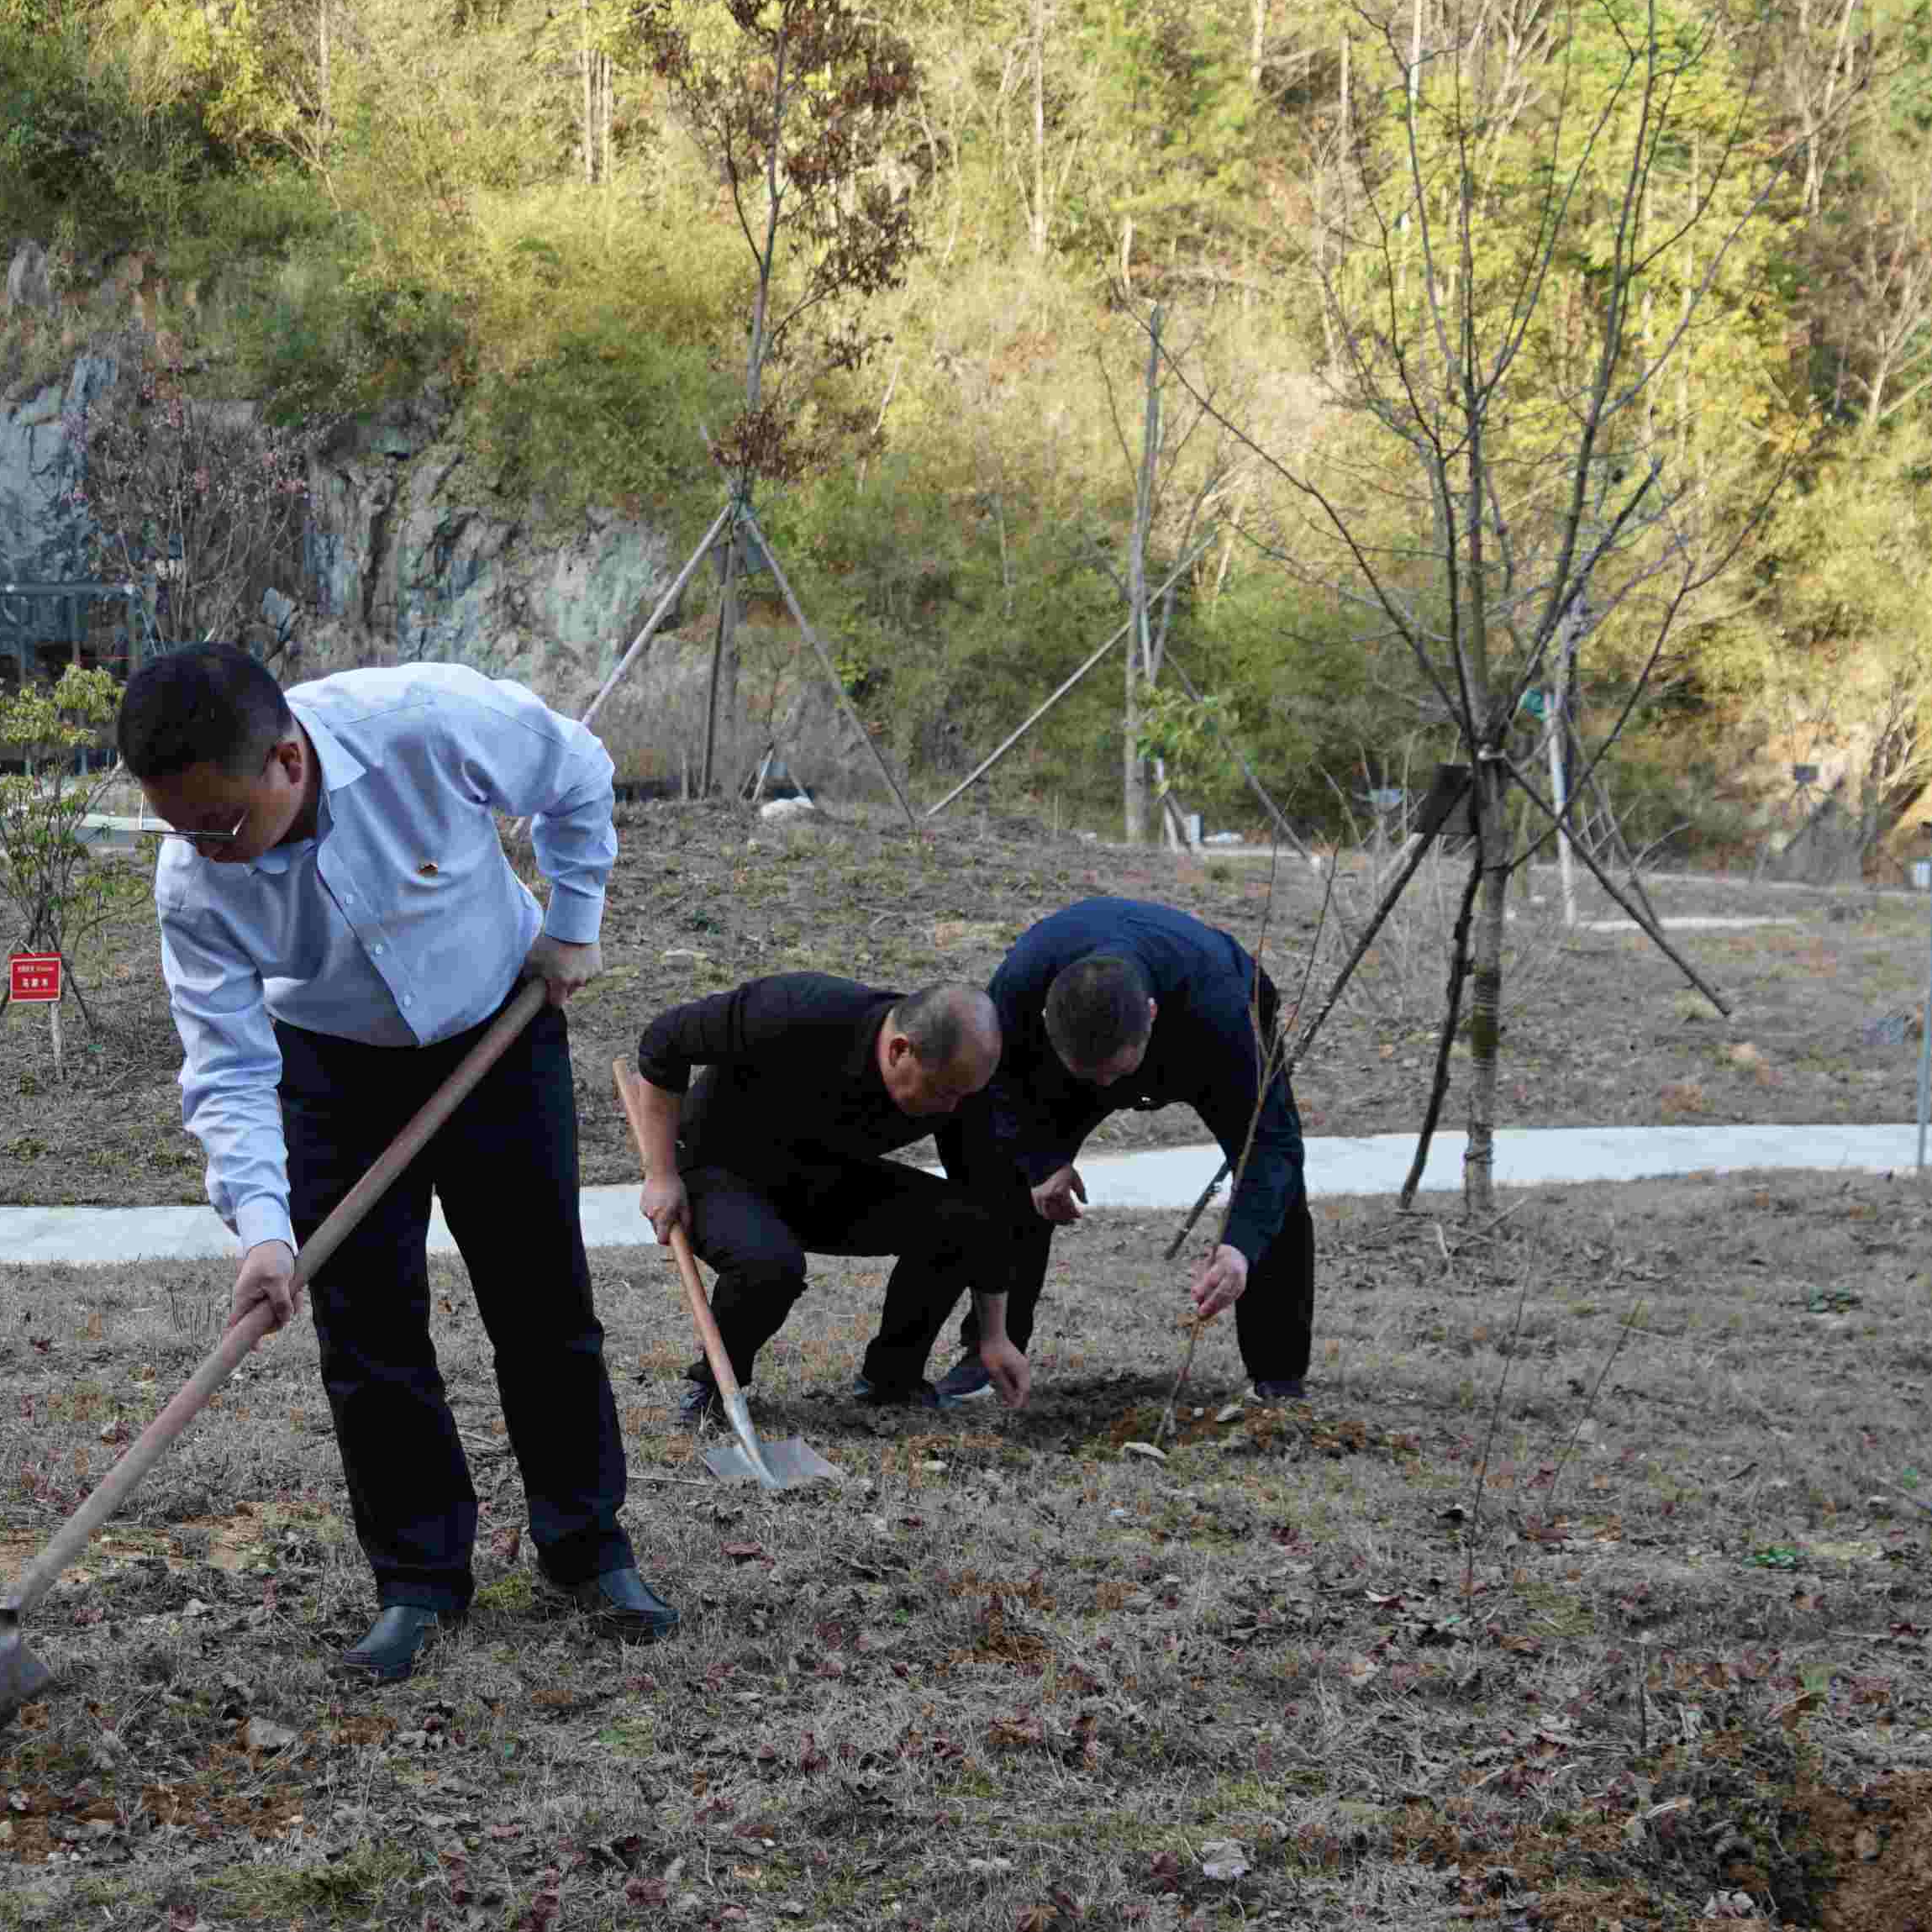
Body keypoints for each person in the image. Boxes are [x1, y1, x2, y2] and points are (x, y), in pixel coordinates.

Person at [122, 641, 672, 1685]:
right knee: (367, 1333)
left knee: (543, 1302)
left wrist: (573, 925)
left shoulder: (424, 721)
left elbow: (578, 773)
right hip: (330, 1072)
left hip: (496, 1032)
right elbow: (228, 1064)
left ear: (288, 759)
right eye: (178, 828)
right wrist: (265, 1228)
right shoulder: (195, 882)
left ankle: (588, 1544)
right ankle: (418, 1577)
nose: (204, 848)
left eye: (220, 823)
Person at [935, 896, 1312, 1403]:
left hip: (1203, 1023)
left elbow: (1272, 1143)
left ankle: (1278, 1373)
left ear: (1151, 1016)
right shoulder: (1020, 988)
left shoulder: (1222, 1009)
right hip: (1077, 1039)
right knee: (1005, 1175)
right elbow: (996, 1085)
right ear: (1046, 1024)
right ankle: (991, 1352)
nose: (1108, 1089)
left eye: (1117, 1074)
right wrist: (1040, 1160)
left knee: (1276, 1192)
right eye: (1092, 1078)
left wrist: (1241, 1244)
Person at [619, 973, 1032, 1416]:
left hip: (822, 1178)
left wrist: (994, 1335)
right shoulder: (797, 1012)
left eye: (963, 1095)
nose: (953, 1108)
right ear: (899, 1050)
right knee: (769, 1266)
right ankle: (719, 1390)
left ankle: (892, 1380)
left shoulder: (960, 1084)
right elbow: (664, 1041)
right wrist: (660, 1173)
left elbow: (984, 1203)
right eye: (944, 1092)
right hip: (718, 1165)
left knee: (959, 1220)